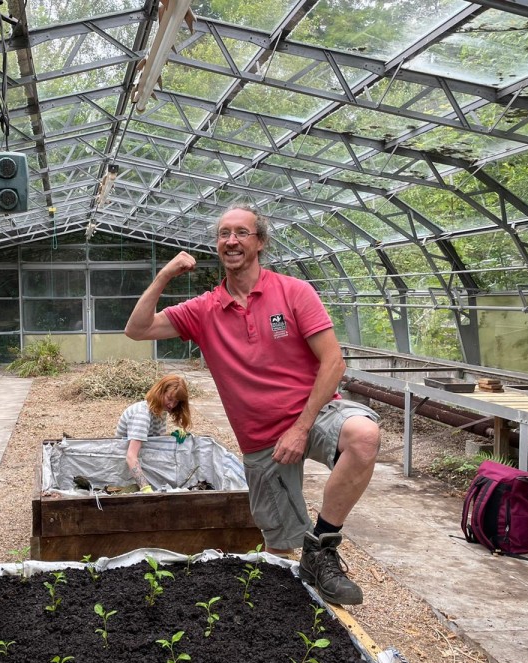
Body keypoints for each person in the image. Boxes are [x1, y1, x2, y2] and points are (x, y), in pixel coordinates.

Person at [124, 204, 381, 606]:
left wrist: (300, 428)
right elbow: (137, 329)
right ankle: (286, 612)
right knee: (277, 549)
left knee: (364, 435)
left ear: (260, 242)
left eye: (242, 233)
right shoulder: (204, 310)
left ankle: (323, 547)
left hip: (313, 414)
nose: (231, 241)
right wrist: (165, 274)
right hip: (261, 439)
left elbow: (334, 362)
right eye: (224, 234)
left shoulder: (293, 292)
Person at [115, 374, 192, 491]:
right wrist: (145, 488)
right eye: (169, 399)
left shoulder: (160, 412)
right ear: (160, 392)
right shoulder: (142, 415)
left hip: (143, 459)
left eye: (176, 402)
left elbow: (153, 442)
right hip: (124, 470)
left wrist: (171, 437)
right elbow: (131, 457)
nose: (172, 405)